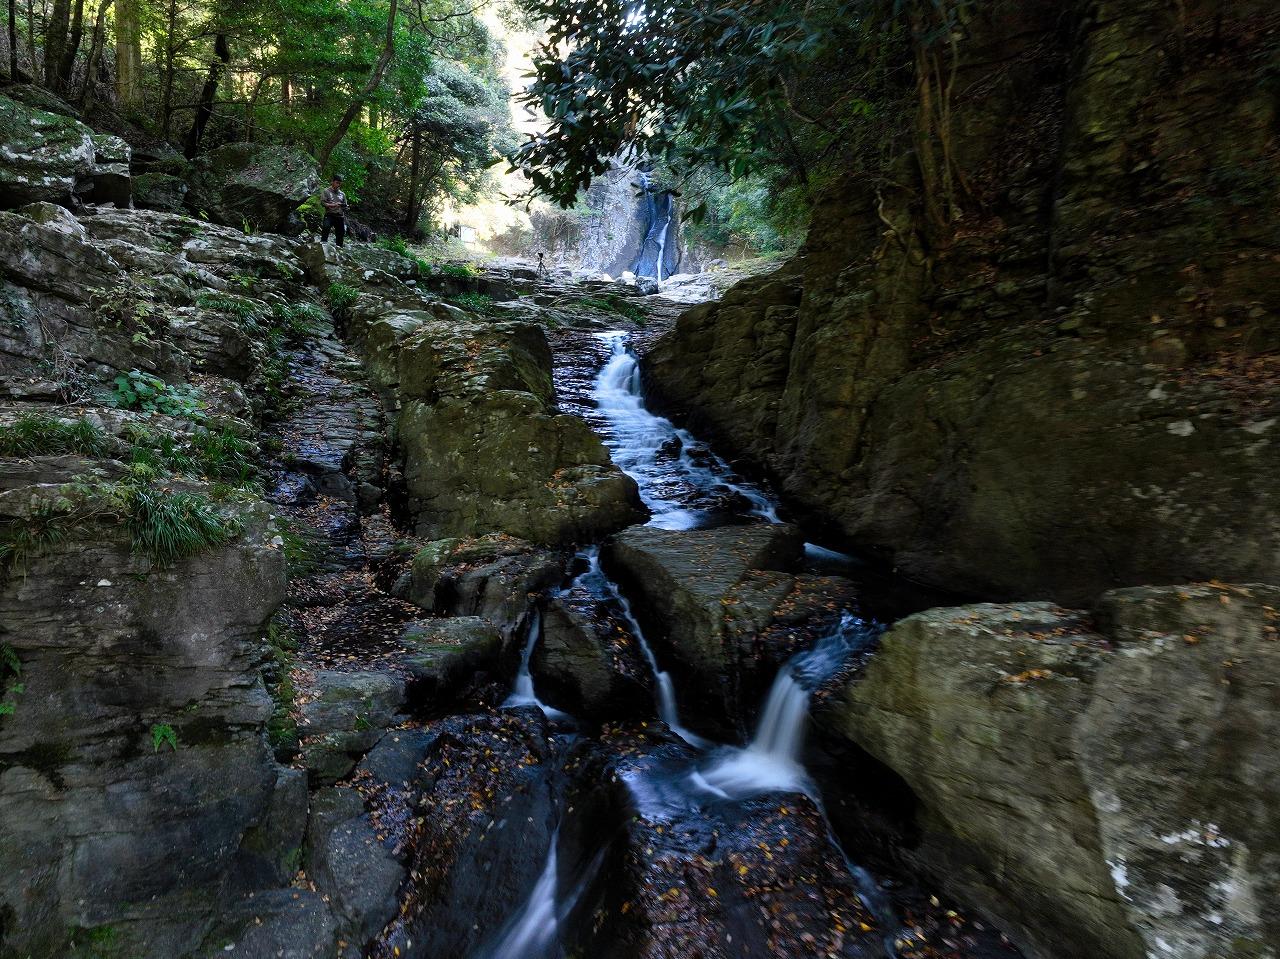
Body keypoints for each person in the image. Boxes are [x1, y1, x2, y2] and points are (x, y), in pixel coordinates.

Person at [321, 175, 348, 247]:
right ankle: (323, 246)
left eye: (340, 183)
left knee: (340, 234)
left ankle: (339, 249)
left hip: (340, 216)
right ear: (332, 182)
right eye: (337, 183)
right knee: (326, 228)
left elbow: (345, 205)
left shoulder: (342, 194)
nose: (338, 185)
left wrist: (345, 207)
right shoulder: (326, 191)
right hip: (330, 214)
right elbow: (322, 203)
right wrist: (333, 205)